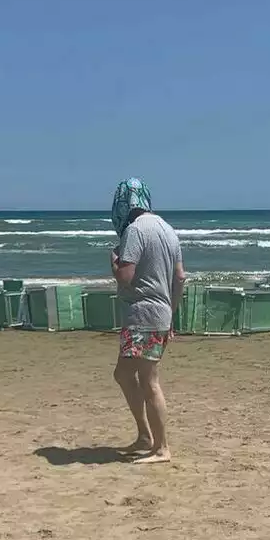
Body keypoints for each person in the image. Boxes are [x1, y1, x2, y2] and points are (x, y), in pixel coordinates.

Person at [109, 178, 185, 464]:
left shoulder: (135, 231)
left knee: (148, 380)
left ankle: (161, 446)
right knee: (125, 374)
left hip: (142, 314)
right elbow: (179, 278)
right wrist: (171, 314)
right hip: (160, 314)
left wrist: (113, 261)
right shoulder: (168, 230)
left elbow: (126, 278)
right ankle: (145, 436)